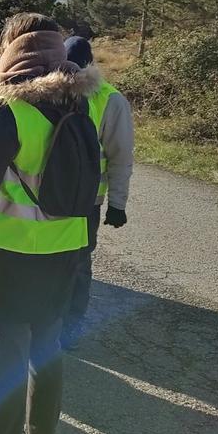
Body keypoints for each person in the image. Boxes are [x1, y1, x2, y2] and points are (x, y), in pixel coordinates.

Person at [0, 13, 98, 434]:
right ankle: (41, 433)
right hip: (66, 248)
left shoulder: (10, 108)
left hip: (12, 252)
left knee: (8, 357)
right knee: (47, 349)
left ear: (13, 51)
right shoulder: (80, 101)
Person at [62, 36, 134, 348]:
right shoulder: (52, 88)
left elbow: (120, 154)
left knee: (77, 264)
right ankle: (52, 323)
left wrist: (117, 203)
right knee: (56, 263)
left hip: (86, 201)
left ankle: (70, 326)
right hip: (50, 196)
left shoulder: (110, 99)